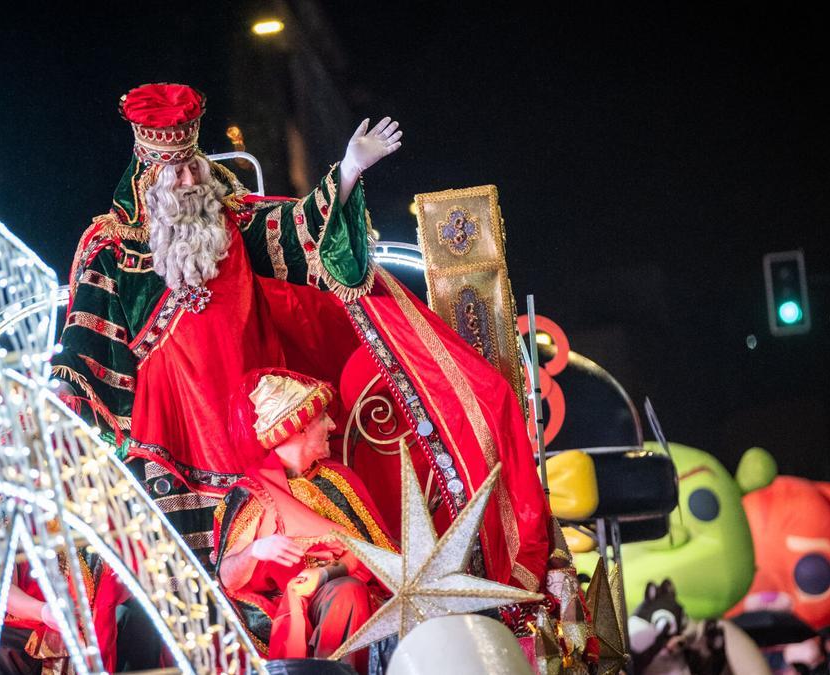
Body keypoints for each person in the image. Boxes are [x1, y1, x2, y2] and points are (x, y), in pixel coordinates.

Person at [52, 82, 556, 598]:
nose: (186, 180)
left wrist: (349, 170)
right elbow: (83, 342)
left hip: (255, 422)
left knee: (284, 563)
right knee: (187, 583)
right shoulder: (110, 245)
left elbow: (297, 230)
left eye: (191, 166)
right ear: (146, 173)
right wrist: (64, 394)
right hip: (170, 430)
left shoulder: (232, 222)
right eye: (173, 170)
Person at [212, 369, 395, 663]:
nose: (333, 425)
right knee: (346, 593)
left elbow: (374, 552)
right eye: (323, 417)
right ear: (299, 427)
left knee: (348, 592)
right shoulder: (251, 493)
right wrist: (257, 550)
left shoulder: (340, 480)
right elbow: (228, 578)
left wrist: (324, 574)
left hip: (349, 591)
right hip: (280, 609)